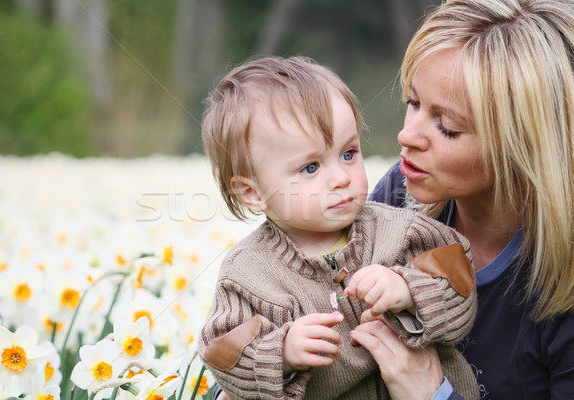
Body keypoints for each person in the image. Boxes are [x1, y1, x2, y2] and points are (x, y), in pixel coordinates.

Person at [198, 55, 479, 399]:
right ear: (253, 193)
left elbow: (461, 279)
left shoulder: (401, 230)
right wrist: (281, 352)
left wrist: (408, 289)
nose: (341, 178)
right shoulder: (248, 275)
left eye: (348, 154)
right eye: (311, 167)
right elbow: (221, 352)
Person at [350, 0, 574, 399]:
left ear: (526, 146)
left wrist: (432, 393)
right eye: (413, 104)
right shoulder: (397, 195)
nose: (407, 136)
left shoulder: (562, 286)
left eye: (448, 127)